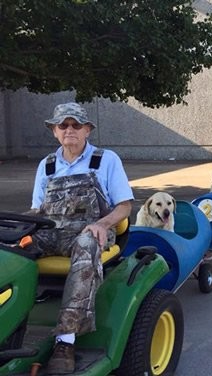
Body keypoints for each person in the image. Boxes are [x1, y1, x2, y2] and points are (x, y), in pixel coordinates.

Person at [28, 102, 134, 374]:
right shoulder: (47, 165)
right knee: (11, 247)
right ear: (54, 131)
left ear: (87, 130)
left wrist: (102, 223)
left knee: (86, 244)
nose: (69, 130)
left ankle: (66, 341)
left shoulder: (106, 160)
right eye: (63, 125)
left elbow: (124, 206)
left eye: (76, 125)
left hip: (92, 230)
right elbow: (36, 209)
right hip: (53, 231)